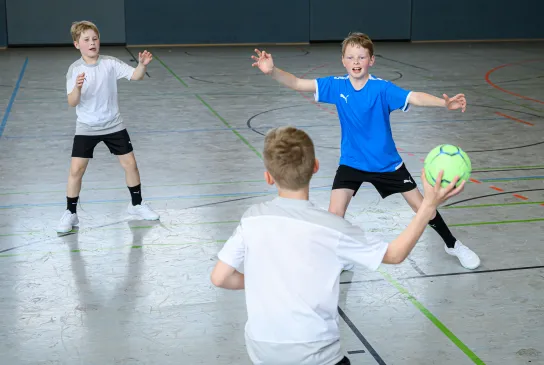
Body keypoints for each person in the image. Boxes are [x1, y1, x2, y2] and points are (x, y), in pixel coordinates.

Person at [210, 126, 465, 365]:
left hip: (261, 348)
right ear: (316, 167)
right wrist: (428, 206)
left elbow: (220, 277)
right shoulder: (331, 227)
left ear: (268, 177)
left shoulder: (252, 218)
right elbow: (395, 255)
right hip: (315, 352)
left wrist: (262, 279)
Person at [249, 32, 480, 270]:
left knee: (422, 207)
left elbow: (414, 97)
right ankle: (340, 255)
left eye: (361, 57)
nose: (356, 62)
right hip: (352, 162)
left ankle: (452, 244)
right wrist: (272, 71)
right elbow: (298, 83)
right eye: (351, 57)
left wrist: (444, 103)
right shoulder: (336, 85)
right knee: (335, 213)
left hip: (388, 164)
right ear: (343, 61)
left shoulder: (382, 89)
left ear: (371, 60)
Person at [57, 20, 159, 233]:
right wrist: (77, 87)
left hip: (113, 124)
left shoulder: (110, 63)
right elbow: (72, 102)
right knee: (76, 169)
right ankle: (71, 213)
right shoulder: (75, 70)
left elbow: (136, 76)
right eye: (86, 40)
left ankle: (136, 205)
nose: (92, 43)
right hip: (86, 126)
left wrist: (142, 65)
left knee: (130, 164)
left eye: (95, 38)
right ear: (77, 44)